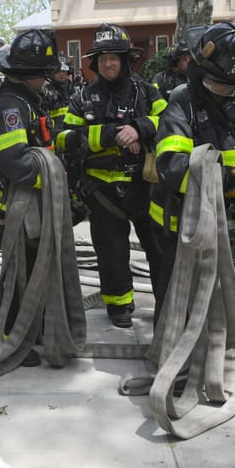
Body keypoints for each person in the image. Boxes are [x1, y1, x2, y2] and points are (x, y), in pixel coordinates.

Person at [151, 22, 235, 381]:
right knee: (178, 295)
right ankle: (175, 360)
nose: (229, 91)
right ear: (202, 70)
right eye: (223, 84)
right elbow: (172, 166)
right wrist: (231, 181)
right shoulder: (181, 105)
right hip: (190, 224)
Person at [64, 24, 167, 328]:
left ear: (125, 60)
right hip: (102, 191)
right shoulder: (82, 98)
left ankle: (168, 303)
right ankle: (119, 306)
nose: (109, 64)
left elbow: (171, 122)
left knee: (160, 251)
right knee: (111, 253)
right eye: (103, 58)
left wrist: (140, 128)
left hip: (146, 187)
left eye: (115, 58)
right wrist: (111, 135)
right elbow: (64, 138)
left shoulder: (146, 91)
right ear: (95, 62)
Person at [0, 29, 62, 367]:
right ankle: (17, 339)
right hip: (13, 210)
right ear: (31, 75)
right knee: (19, 275)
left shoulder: (26, 101)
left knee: (31, 272)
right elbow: (15, 162)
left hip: (26, 208)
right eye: (45, 72)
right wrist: (53, 172)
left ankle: (30, 330)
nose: (49, 78)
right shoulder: (12, 107)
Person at [43, 60, 74, 130]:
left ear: (68, 73)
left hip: (72, 131)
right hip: (55, 132)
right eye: (58, 71)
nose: (61, 74)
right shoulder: (46, 91)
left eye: (63, 71)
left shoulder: (73, 90)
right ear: (52, 73)